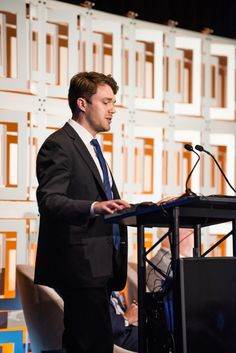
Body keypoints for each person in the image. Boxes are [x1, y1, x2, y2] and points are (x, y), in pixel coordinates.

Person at [34, 71, 131, 353]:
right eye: (106, 102)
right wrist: (93, 207)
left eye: (114, 102)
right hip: (79, 266)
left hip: (100, 266)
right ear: (82, 104)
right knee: (90, 345)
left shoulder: (92, 147)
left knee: (87, 345)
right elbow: (49, 201)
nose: (113, 109)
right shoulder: (60, 145)